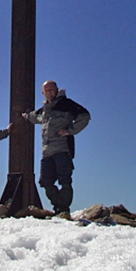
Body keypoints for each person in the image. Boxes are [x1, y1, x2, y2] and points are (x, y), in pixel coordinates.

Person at [23, 80, 90, 218]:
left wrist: (70, 130)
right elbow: (34, 117)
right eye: (46, 90)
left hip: (62, 149)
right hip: (47, 152)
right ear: (43, 92)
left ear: (57, 90)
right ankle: (58, 206)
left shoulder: (67, 104)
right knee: (45, 181)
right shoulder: (45, 109)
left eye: (51, 89)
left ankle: (63, 209)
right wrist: (24, 116)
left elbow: (85, 116)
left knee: (65, 180)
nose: (49, 92)